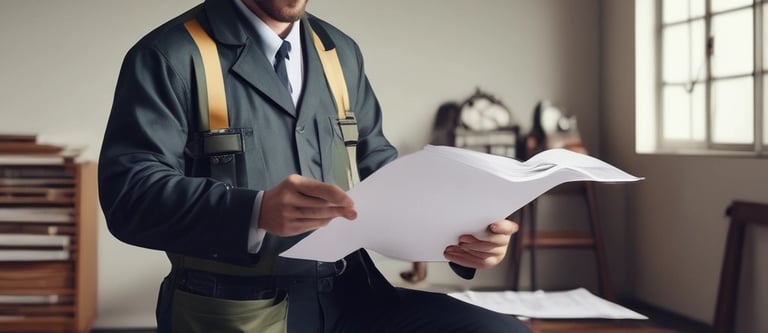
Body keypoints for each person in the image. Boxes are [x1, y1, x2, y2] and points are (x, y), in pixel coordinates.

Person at [99, 0, 532, 332]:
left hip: (351, 298)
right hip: (235, 310)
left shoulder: (339, 53)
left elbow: (382, 173)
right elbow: (130, 197)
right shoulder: (168, 55)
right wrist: (255, 211)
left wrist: (462, 238)